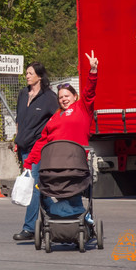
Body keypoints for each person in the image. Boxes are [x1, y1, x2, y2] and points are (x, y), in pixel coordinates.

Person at [23, 51, 98, 219]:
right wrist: (28, 163)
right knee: (42, 190)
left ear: (75, 96)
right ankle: (66, 217)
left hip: (75, 164)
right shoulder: (54, 118)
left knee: (73, 193)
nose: (64, 99)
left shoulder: (82, 109)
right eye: (60, 97)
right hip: (55, 166)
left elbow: (90, 92)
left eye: (67, 96)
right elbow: (42, 141)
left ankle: (76, 217)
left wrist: (93, 71)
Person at [12, 62, 58, 241]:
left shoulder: (49, 97)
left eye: (30, 73)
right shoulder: (23, 94)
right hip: (23, 148)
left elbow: (57, 121)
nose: (27, 76)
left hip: (39, 148)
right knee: (38, 188)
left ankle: (29, 228)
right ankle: (62, 215)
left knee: (32, 187)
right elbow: (19, 120)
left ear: (39, 76)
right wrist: (17, 141)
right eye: (26, 73)